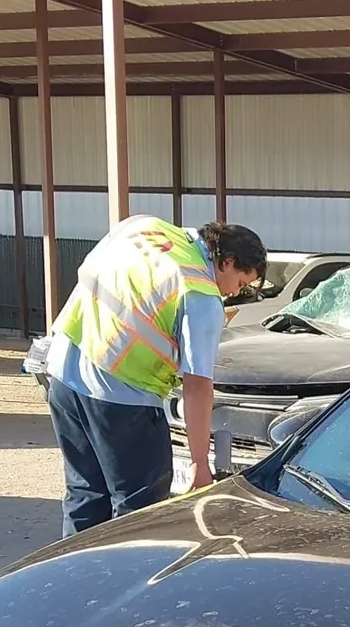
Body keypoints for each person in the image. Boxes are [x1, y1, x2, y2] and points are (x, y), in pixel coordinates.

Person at [44, 216, 265, 535]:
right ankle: (132, 568)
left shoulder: (144, 227)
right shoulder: (200, 295)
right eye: (241, 283)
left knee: (85, 495)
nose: (233, 293)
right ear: (227, 262)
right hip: (122, 398)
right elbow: (197, 386)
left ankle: (76, 565)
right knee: (141, 511)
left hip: (65, 373)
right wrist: (200, 462)